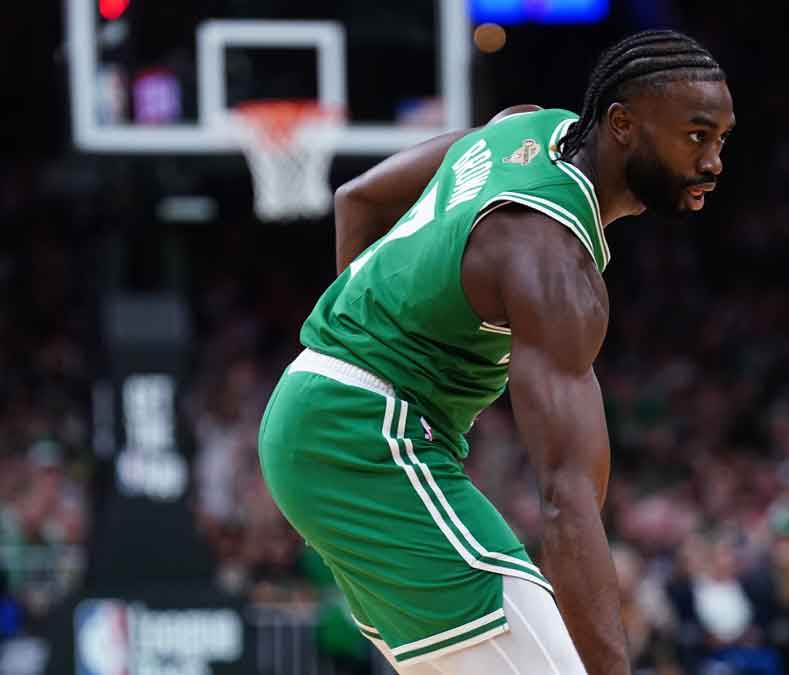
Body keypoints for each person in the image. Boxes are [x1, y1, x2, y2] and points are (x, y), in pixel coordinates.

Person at [257, 29, 735, 674]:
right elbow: (568, 500)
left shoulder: (523, 129)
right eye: (696, 136)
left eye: (720, 140)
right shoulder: (550, 261)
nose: (713, 163)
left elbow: (359, 197)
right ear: (623, 124)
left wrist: (371, 338)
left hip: (321, 415)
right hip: (361, 435)